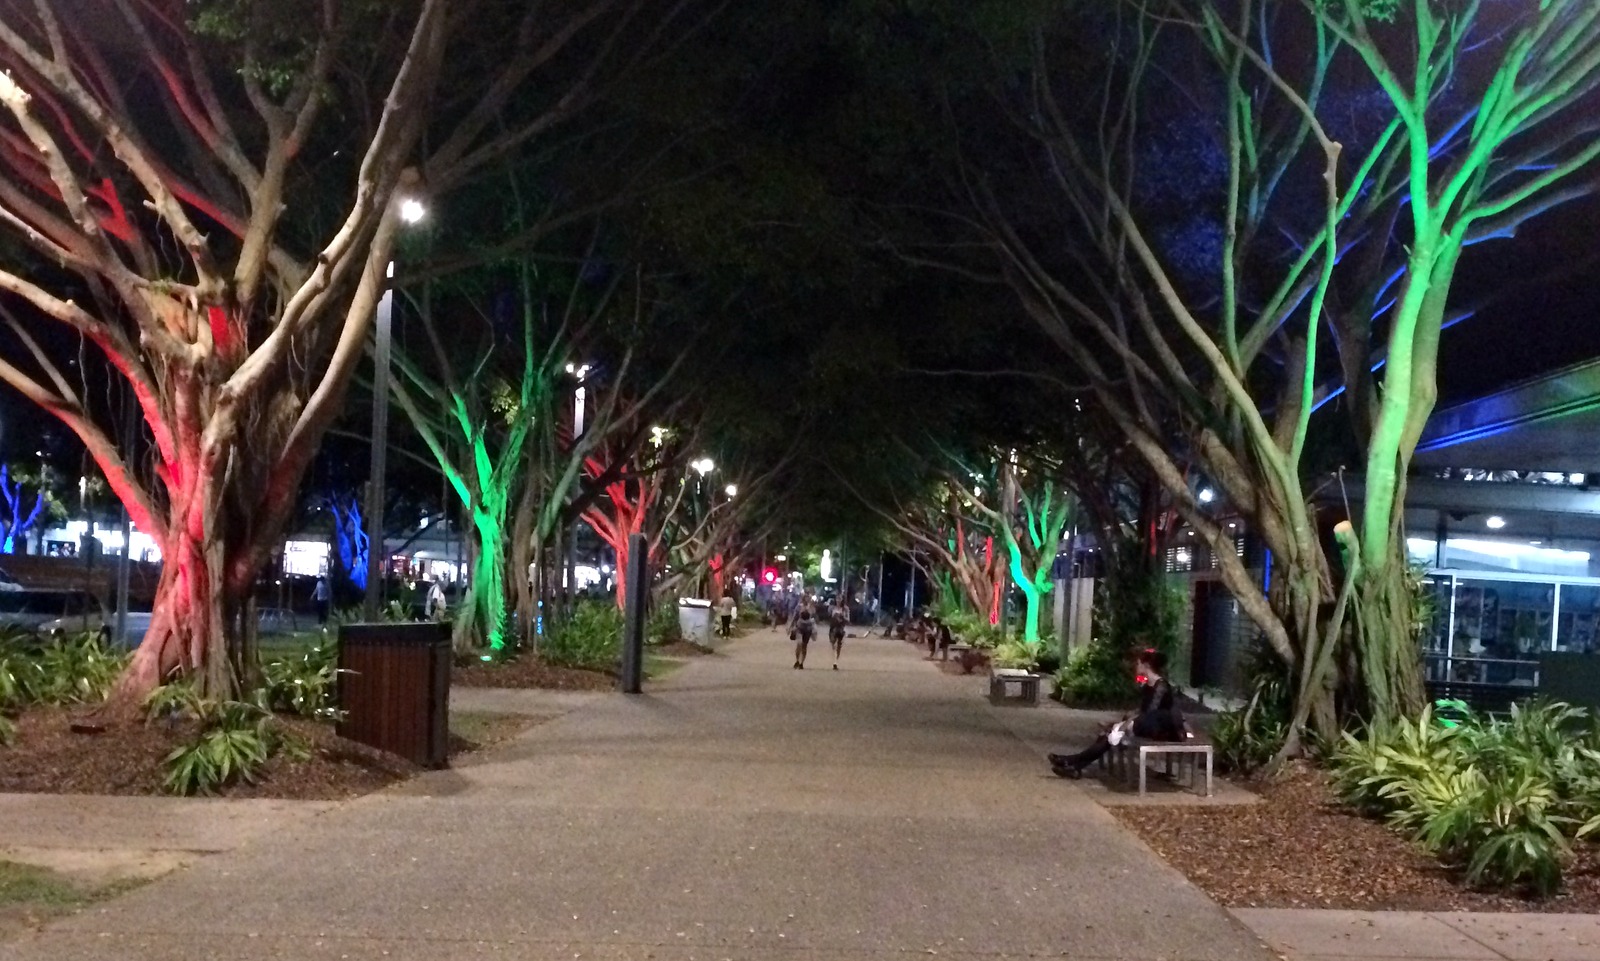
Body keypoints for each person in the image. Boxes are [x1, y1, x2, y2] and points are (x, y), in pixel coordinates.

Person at [1048, 650, 1186, 778]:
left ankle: (1071, 763)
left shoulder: (1161, 686)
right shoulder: (1148, 685)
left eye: (1138, 664)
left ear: (1146, 665)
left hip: (1160, 730)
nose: (1136, 667)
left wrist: (1125, 724)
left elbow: (1150, 713)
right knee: (1108, 735)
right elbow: (1143, 711)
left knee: (1111, 735)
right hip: (1146, 725)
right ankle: (1074, 765)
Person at [789, 599, 817, 669]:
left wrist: (814, 630)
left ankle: (801, 663)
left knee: (804, 646)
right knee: (799, 643)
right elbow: (795, 616)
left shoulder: (811, 607)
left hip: (808, 628)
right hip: (800, 627)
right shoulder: (799, 607)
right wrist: (790, 626)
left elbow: (814, 617)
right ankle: (797, 660)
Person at [827, 596, 850, 670]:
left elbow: (848, 619)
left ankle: (835, 661)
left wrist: (843, 617)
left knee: (839, 645)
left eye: (840, 599)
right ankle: (834, 660)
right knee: (833, 645)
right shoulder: (832, 608)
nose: (838, 600)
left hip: (841, 628)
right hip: (833, 628)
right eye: (837, 599)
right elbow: (829, 617)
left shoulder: (845, 609)